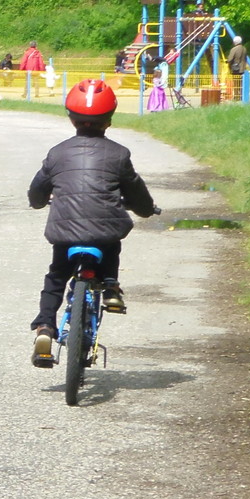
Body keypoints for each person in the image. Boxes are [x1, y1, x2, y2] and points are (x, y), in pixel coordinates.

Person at [27, 79, 160, 369]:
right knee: (111, 241)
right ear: (109, 120)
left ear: (71, 118)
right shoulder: (119, 154)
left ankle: (45, 329)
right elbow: (136, 192)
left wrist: (38, 202)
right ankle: (110, 285)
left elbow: (37, 191)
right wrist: (147, 210)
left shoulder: (57, 153)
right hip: (104, 233)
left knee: (55, 279)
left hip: (65, 234)